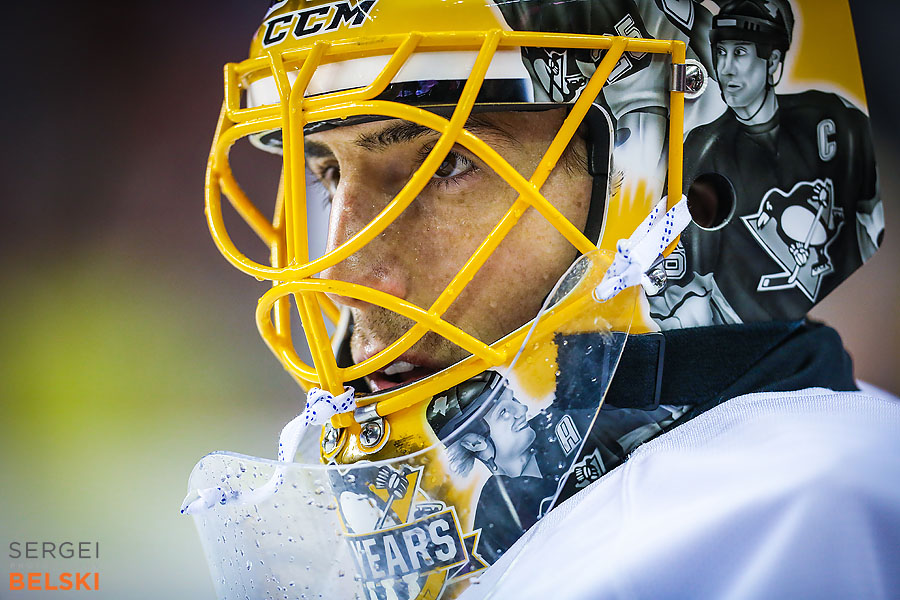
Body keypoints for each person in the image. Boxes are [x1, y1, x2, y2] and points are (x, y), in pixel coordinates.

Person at [184, 1, 900, 598]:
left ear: (699, 190)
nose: (345, 273)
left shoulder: (807, 508)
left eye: (449, 165)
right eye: (329, 176)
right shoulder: (535, 527)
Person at [652, 0, 884, 326]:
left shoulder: (834, 119)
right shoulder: (701, 149)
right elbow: (684, 281)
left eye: (741, 52)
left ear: (772, 60)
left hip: (850, 324)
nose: (726, 67)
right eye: (721, 52)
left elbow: (875, 219)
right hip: (745, 346)